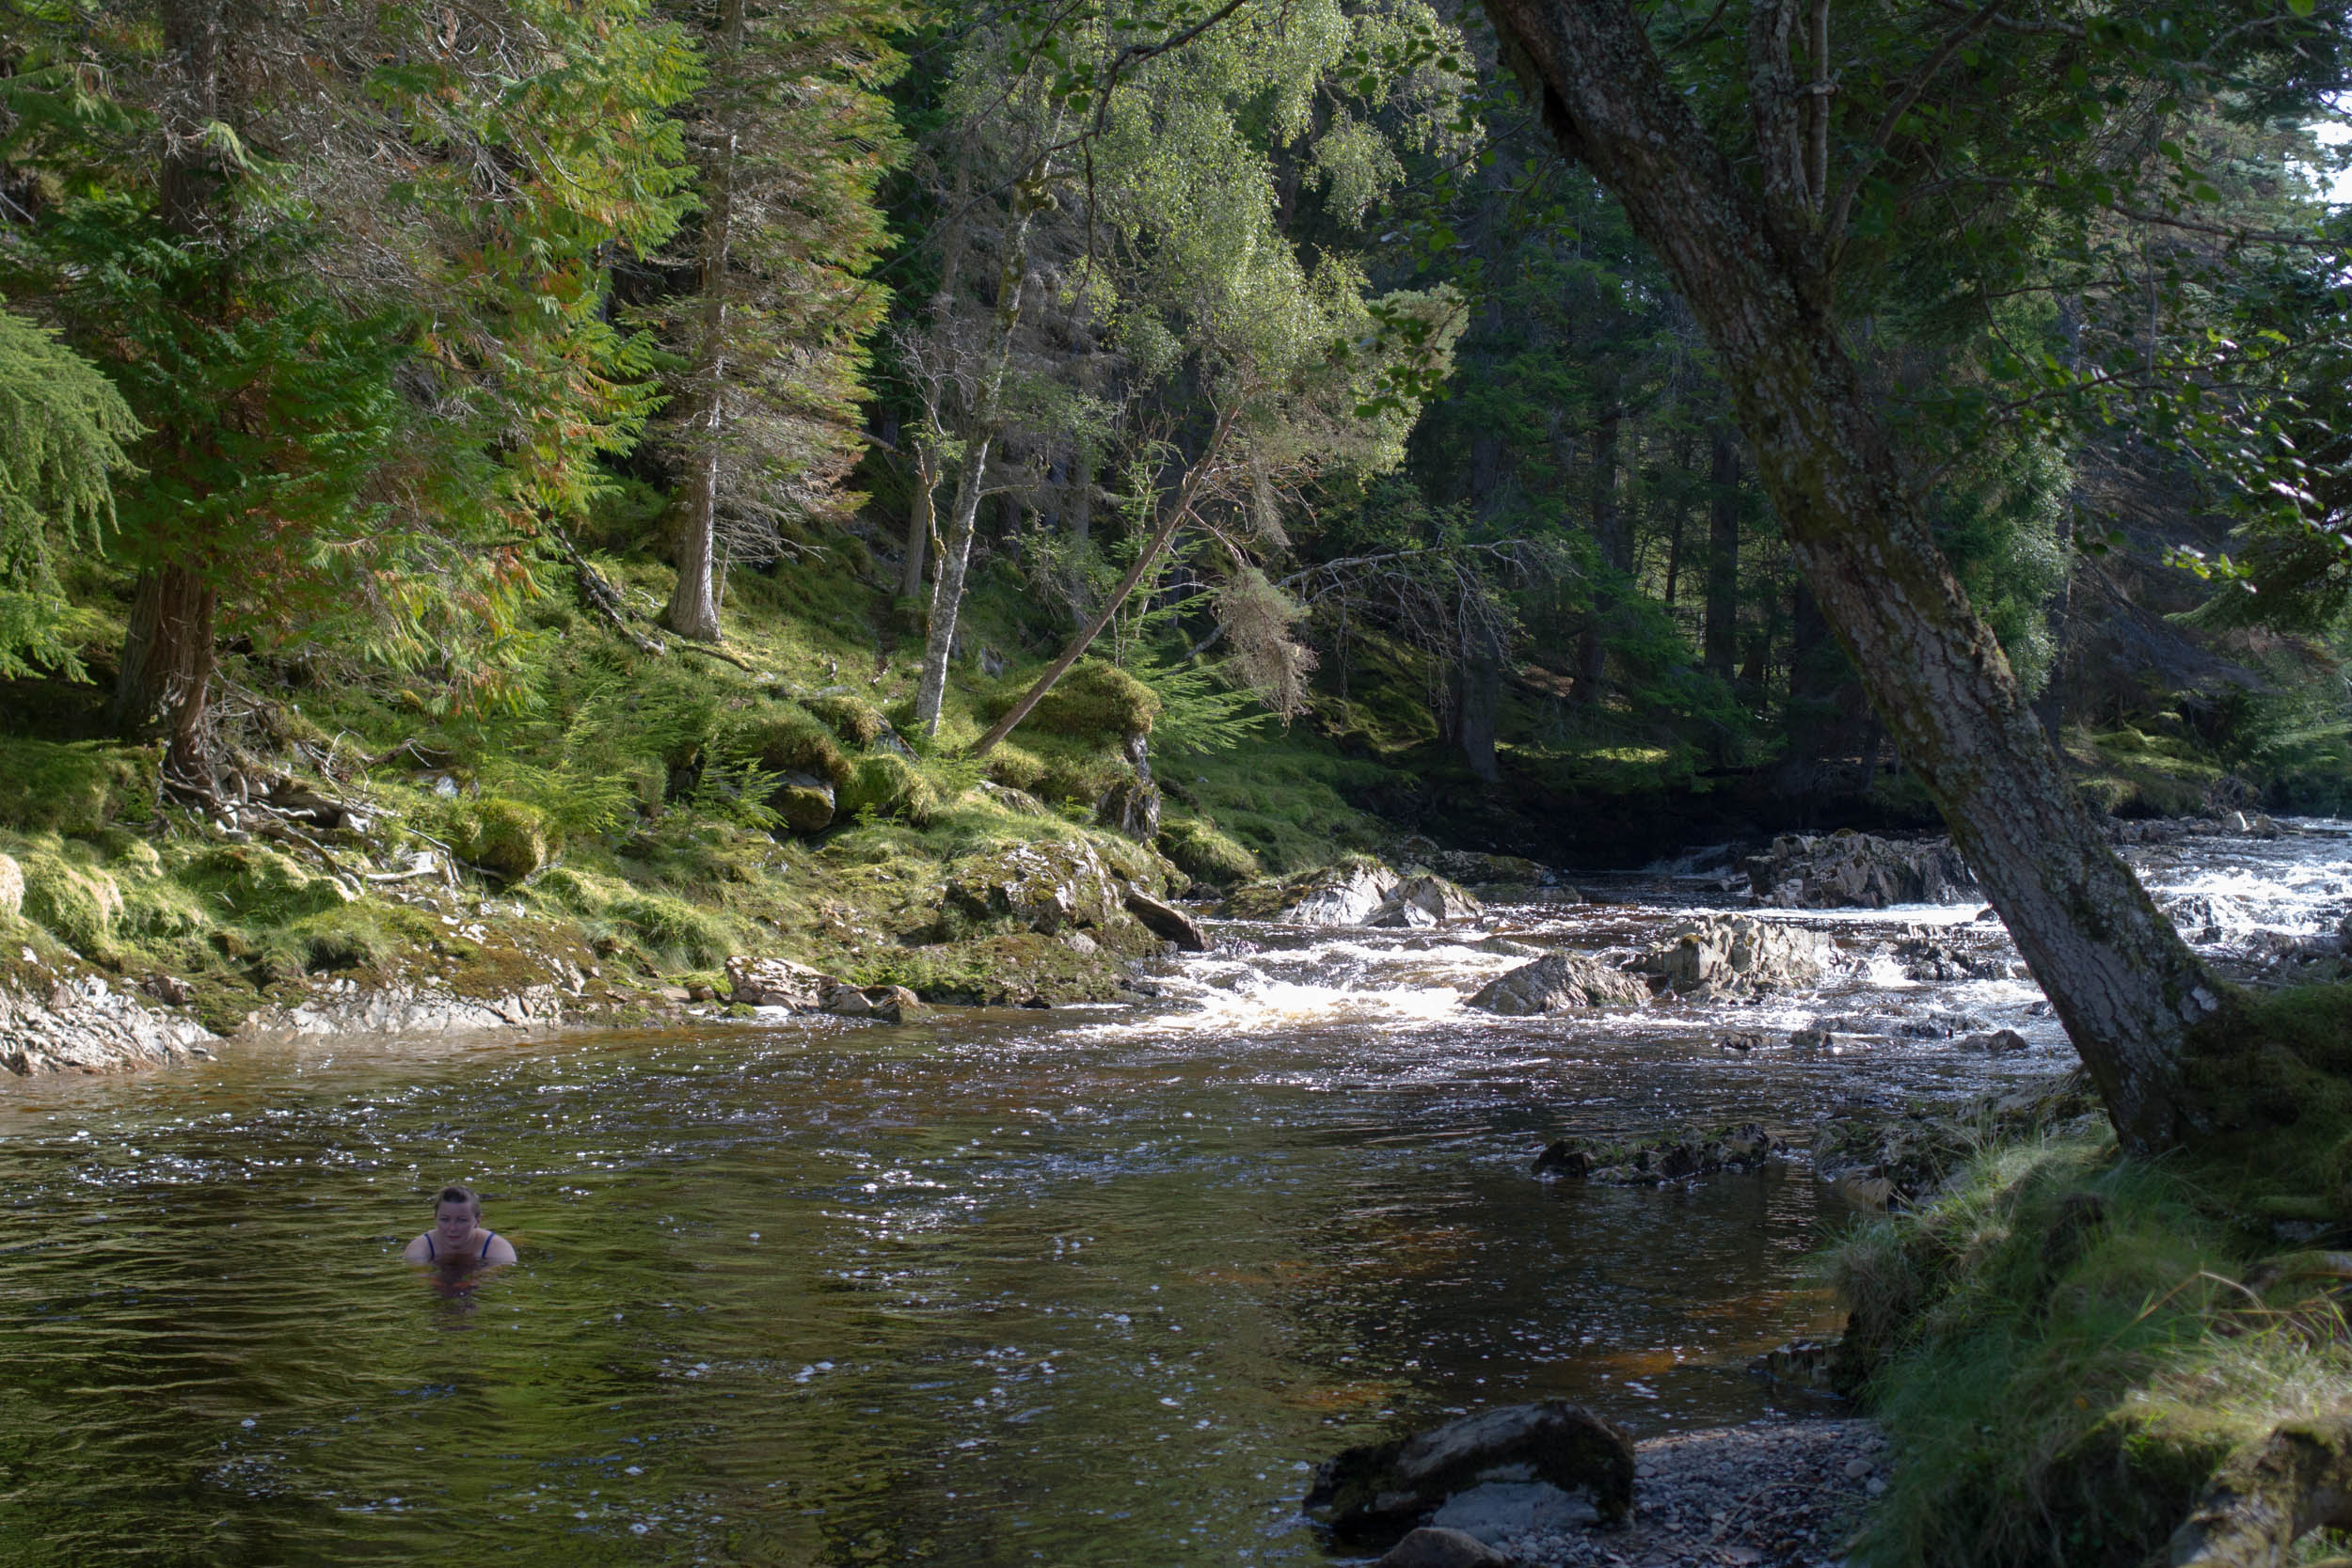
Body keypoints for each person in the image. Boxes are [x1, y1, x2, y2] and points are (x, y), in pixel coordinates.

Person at [404, 1184, 516, 1267]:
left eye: (461, 1220)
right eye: (445, 1219)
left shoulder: (497, 1250)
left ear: (477, 1221)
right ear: (435, 1218)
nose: (452, 1228)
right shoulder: (419, 1249)